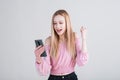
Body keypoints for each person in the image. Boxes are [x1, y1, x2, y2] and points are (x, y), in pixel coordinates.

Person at [34, 9, 88, 80]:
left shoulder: (74, 37)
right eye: (55, 23)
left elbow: (81, 62)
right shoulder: (49, 41)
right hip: (54, 78)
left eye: (61, 23)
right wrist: (38, 57)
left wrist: (83, 39)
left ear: (67, 23)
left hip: (71, 77)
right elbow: (44, 71)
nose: (57, 26)